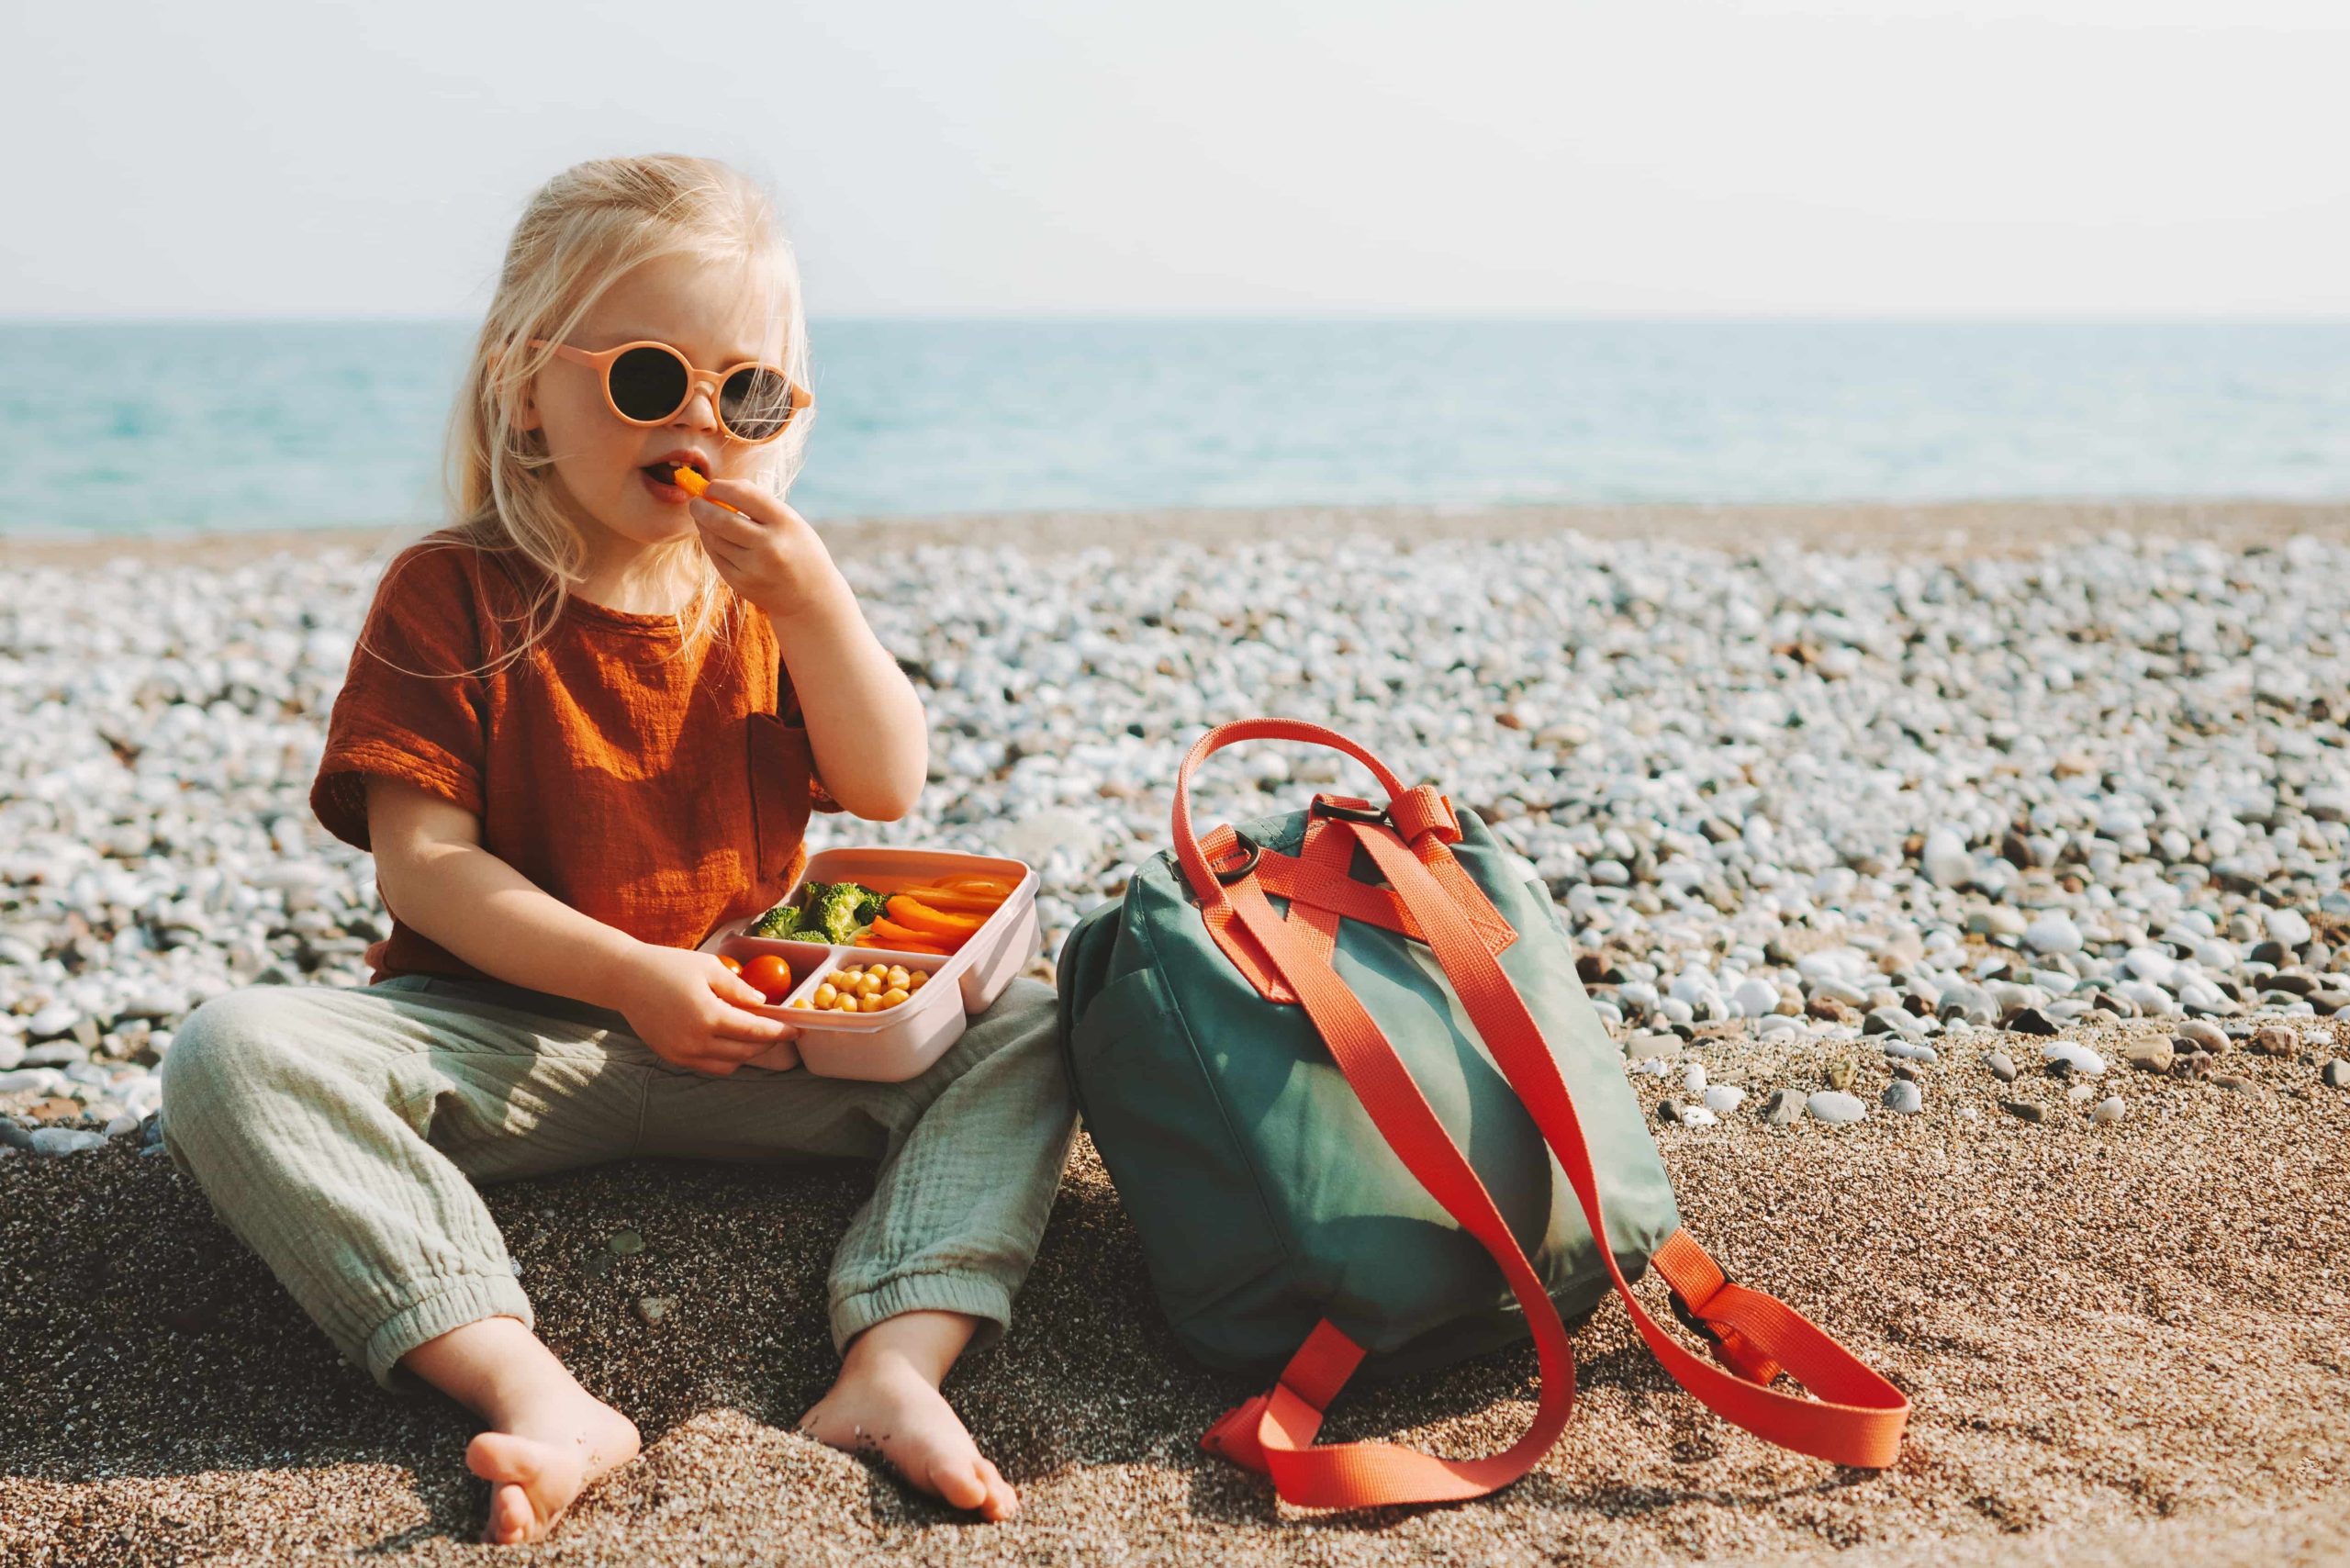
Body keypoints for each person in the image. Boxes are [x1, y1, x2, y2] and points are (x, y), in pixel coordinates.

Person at [158, 153, 1076, 1543]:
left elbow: (890, 784)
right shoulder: (454, 591)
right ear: (530, 385)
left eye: (747, 391)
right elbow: (428, 870)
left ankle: (895, 1361)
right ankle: (528, 1389)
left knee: (1034, 1023)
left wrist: (822, 604)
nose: (701, 419)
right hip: (496, 1046)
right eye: (650, 380)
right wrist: (632, 974)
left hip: (757, 1040)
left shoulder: (763, 598)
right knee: (233, 1050)